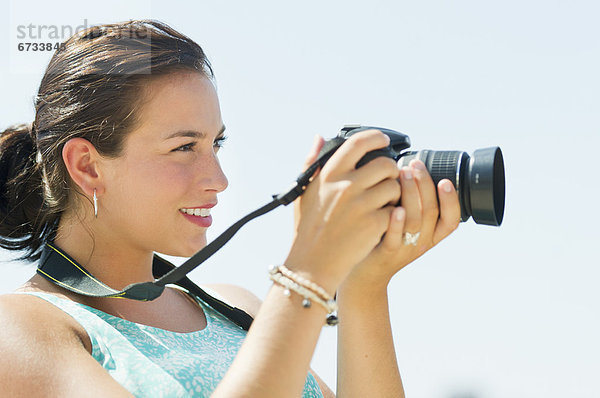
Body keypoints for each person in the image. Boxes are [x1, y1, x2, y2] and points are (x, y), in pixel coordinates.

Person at [0, 20, 461, 397]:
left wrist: (362, 285)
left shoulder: (238, 308)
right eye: (184, 147)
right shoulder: (20, 331)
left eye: (216, 143)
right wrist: (307, 273)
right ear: (88, 167)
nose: (218, 180)